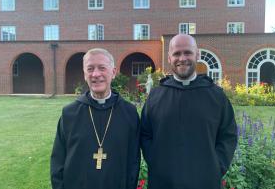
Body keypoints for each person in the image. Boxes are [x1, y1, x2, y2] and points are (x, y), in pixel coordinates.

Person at [140, 34, 237, 189]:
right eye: (177, 53)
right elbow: (145, 134)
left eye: (188, 52)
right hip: (163, 181)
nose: (182, 58)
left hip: (205, 181)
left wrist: (216, 166)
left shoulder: (216, 96)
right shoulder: (155, 96)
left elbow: (228, 135)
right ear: (169, 58)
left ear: (197, 55)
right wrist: (155, 162)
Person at [51, 48, 140, 189]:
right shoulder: (69, 114)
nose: (96, 74)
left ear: (113, 72)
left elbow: (133, 161)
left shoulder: (129, 113)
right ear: (85, 74)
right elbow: (57, 161)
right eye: (90, 68)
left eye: (102, 68)